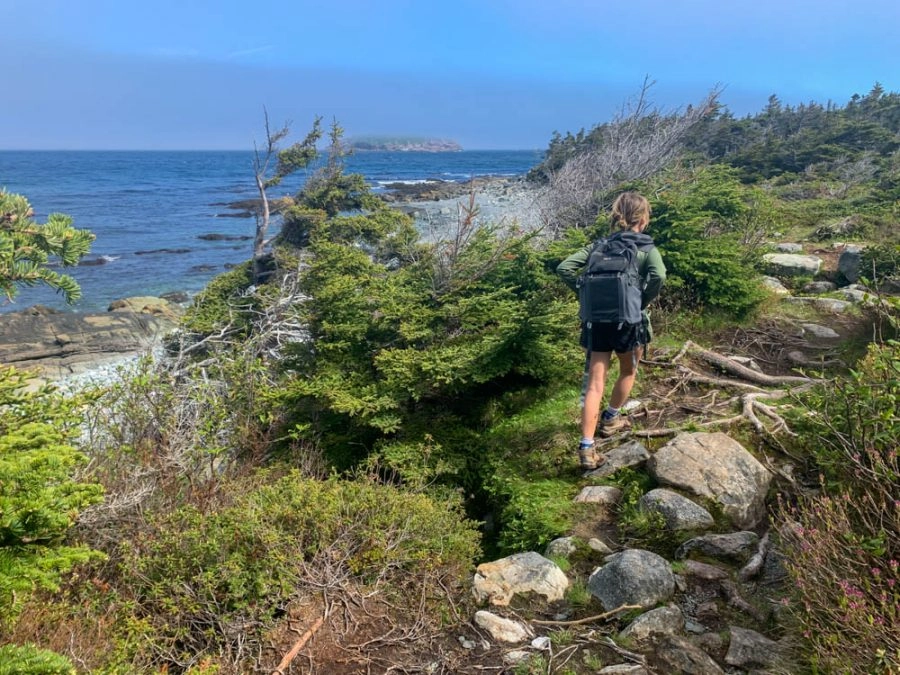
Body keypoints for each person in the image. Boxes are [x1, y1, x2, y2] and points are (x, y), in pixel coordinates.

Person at [556, 191, 666, 470]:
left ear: (617, 216)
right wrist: (640, 301)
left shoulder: (598, 247)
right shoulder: (646, 249)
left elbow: (565, 267)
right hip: (628, 322)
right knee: (628, 370)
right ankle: (611, 418)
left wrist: (585, 295)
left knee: (595, 384)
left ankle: (586, 447)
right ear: (643, 218)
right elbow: (659, 276)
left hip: (596, 322)